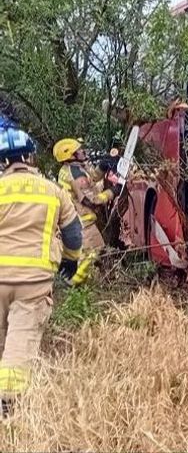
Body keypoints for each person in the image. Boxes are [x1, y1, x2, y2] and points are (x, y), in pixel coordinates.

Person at [0, 124, 82, 414]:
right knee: (19, 348)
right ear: (31, 158)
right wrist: (71, 261)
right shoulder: (53, 191)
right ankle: (9, 409)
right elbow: (74, 234)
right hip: (33, 285)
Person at [53, 138, 119, 286]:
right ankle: (72, 282)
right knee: (92, 253)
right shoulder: (75, 174)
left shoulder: (72, 169)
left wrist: (103, 166)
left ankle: (105, 280)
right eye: (79, 150)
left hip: (76, 219)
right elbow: (92, 200)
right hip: (83, 221)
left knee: (94, 251)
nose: (83, 151)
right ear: (71, 155)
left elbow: (92, 178)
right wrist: (113, 191)